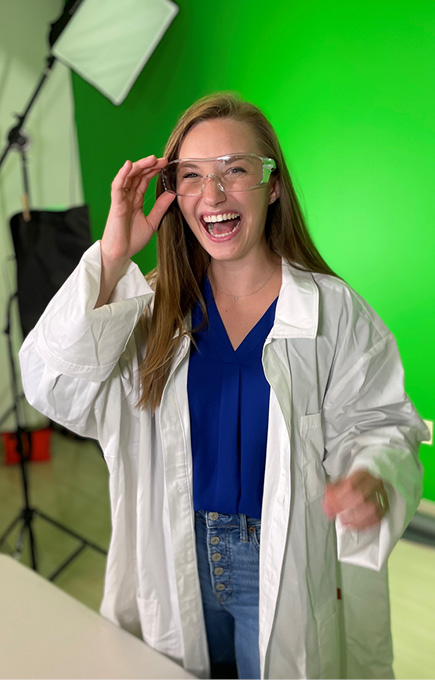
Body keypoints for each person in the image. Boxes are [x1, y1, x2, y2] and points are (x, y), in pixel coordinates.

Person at [19, 93, 428, 680]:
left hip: (281, 558)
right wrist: (112, 256)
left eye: (234, 170)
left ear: (273, 186)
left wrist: (374, 475)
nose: (212, 195)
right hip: (177, 553)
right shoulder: (149, 312)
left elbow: (382, 425)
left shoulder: (331, 312)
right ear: (173, 193)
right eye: (192, 176)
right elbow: (52, 384)